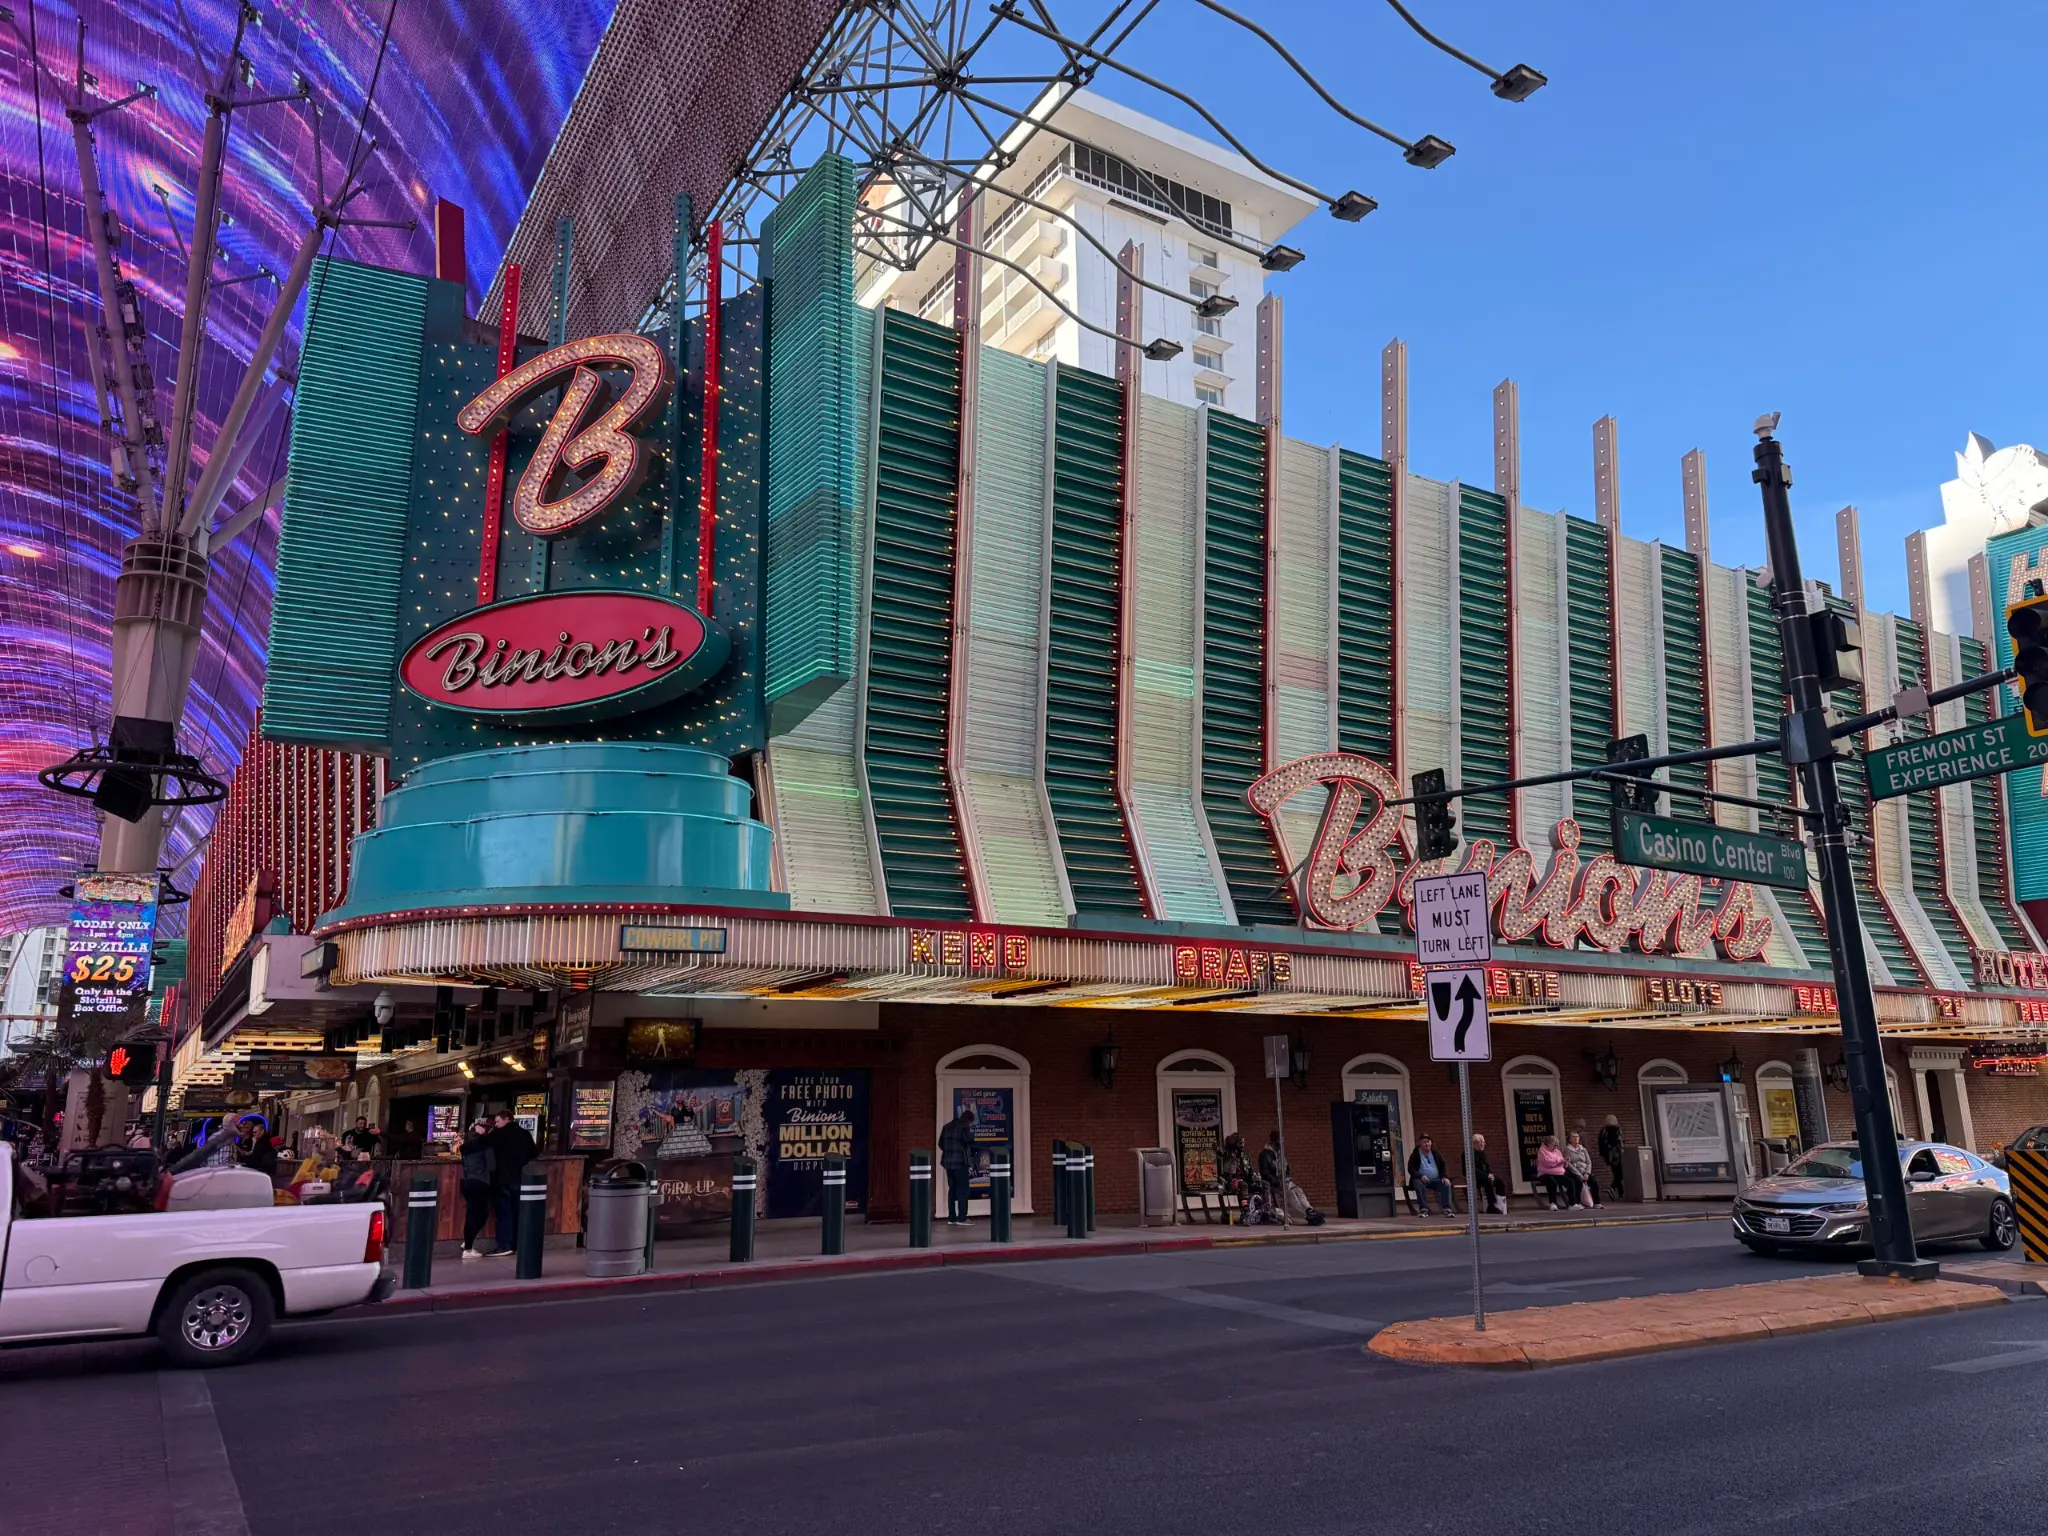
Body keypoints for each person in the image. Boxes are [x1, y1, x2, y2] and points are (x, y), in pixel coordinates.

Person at [486, 1110, 538, 1256]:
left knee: (504, 1213)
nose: (496, 1124)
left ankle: (504, 1245)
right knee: (517, 1211)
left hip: (502, 1178)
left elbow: (480, 1146)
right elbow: (534, 1153)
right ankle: (516, 1244)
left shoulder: (498, 1135)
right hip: (521, 1177)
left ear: (506, 1119)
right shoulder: (524, 1134)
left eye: (497, 1121)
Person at [459, 1120, 495, 1258]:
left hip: (466, 1182)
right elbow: (492, 1167)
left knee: (471, 1214)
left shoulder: (464, 1149)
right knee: (481, 1215)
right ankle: (468, 1248)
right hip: (480, 1182)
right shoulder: (486, 1148)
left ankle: (468, 1242)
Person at [938, 1105, 976, 1225]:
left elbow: (940, 1144)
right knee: (962, 1190)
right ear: (969, 1120)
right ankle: (962, 1218)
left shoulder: (946, 1127)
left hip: (948, 1164)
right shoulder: (964, 1127)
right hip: (960, 1163)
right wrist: (971, 1132)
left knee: (952, 1189)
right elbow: (969, 1140)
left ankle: (952, 1218)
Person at [1407, 1133, 1455, 1216]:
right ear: (1420, 1143)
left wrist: (1444, 1176)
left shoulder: (1435, 1153)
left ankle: (1447, 1208)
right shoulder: (1415, 1154)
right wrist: (1420, 1176)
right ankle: (1423, 1209)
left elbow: (1443, 1164)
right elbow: (1411, 1169)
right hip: (1422, 1179)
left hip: (1436, 1179)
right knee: (1417, 1184)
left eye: (1428, 1142)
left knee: (1446, 1184)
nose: (1427, 1144)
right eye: (1424, 1142)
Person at [1471, 1132, 1509, 1215]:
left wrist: (1490, 1174)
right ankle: (1491, 1205)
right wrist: (1487, 1175)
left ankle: (1501, 1204)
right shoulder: (1469, 1154)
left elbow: (1487, 1167)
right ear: (1476, 1143)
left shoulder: (1482, 1153)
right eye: (1482, 1142)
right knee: (1487, 1182)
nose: (1484, 1144)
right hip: (1475, 1177)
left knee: (1499, 1181)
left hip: (1485, 1175)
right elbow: (1473, 1169)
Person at [1564, 1129, 1600, 1208]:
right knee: (1578, 1181)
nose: (1576, 1138)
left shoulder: (1583, 1149)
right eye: (1573, 1137)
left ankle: (1597, 1203)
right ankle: (1577, 1202)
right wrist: (1579, 1174)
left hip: (1584, 1171)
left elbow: (1589, 1162)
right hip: (1574, 1172)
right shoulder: (1567, 1149)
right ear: (1570, 1139)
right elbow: (1569, 1164)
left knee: (1594, 1181)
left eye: (1577, 1137)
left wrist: (1587, 1173)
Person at [1534, 1134, 1571, 1209]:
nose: (1556, 1147)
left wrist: (1564, 1162)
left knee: (1570, 1182)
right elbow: (1547, 1163)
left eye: (1557, 1145)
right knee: (1552, 1182)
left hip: (1558, 1173)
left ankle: (1572, 1203)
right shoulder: (1542, 1151)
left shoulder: (1557, 1151)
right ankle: (1553, 1203)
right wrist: (1558, 1161)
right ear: (1548, 1144)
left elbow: (1560, 1162)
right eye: (1554, 1145)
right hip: (1545, 1173)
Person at [1598, 1113, 1625, 1199]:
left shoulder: (1603, 1131)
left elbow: (1600, 1144)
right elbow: (1619, 1142)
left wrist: (1604, 1155)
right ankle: (1613, 1188)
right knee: (1620, 1174)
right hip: (1617, 1155)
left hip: (1609, 1156)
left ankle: (1621, 1193)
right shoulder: (1616, 1129)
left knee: (1616, 1173)